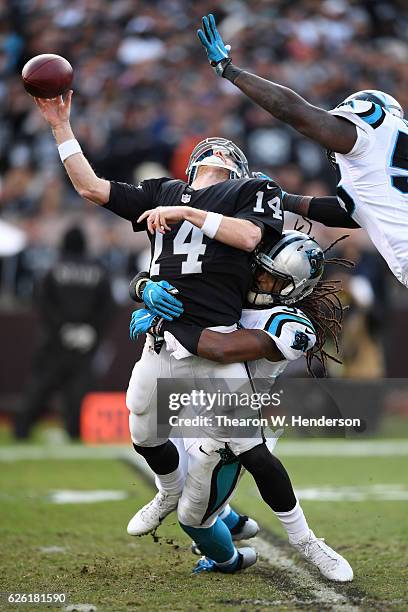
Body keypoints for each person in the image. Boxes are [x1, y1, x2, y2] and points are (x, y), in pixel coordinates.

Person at [33, 93, 288, 536]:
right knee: (150, 437)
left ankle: (247, 532)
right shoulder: (164, 190)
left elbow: (249, 237)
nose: (218, 157)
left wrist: (189, 211)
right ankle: (189, 505)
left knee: (231, 459)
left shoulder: (251, 193)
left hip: (226, 340)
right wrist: (61, 127)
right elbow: (91, 187)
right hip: (169, 337)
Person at [128, 230, 353, 581]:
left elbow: (224, 349)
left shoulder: (292, 326)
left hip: (236, 416)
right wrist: (145, 291)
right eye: (260, 270)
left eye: (274, 279)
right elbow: (167, 280)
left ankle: (284, 547)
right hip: (193, 401)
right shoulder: (226, 292)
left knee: (195, 516)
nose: (261, 280)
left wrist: (167, 322)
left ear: (296, 288)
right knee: (148, 435)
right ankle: (230, 518)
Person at [198, 14, 408, 287]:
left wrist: (229, 70)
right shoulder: (387, 165)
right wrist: (285, 199)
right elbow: (352, 212)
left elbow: (295, 112)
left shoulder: (373, 127)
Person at [14, 226, 114, 440]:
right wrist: (90, 330)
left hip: (54, 341)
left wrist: (62, 328)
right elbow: (108, 306)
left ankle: (21, 429)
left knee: (41, 385)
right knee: (79, 388)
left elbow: (42, 302)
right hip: (85, 342)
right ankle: (75, 430)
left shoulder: (52, 268)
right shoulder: (98, 271)